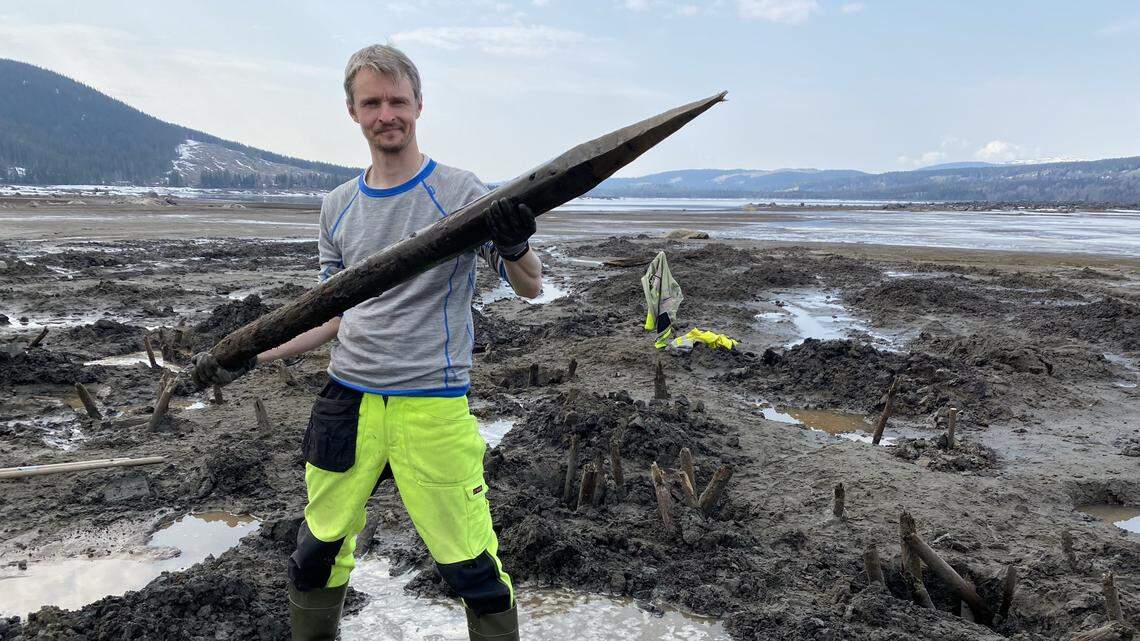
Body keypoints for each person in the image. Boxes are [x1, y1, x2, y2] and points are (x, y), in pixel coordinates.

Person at [191, 43, 541, 641]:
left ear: (419, 105)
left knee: (472, 566)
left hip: (432, 404)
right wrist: (253, 355)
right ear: (352, 112)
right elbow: (330, 315)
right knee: (316, 556)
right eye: (372, 102)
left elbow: (531, 286)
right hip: (346, 402)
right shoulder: (337, 206)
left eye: (397, 101)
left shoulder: (461, 193)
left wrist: (512, 244)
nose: (387, 114)